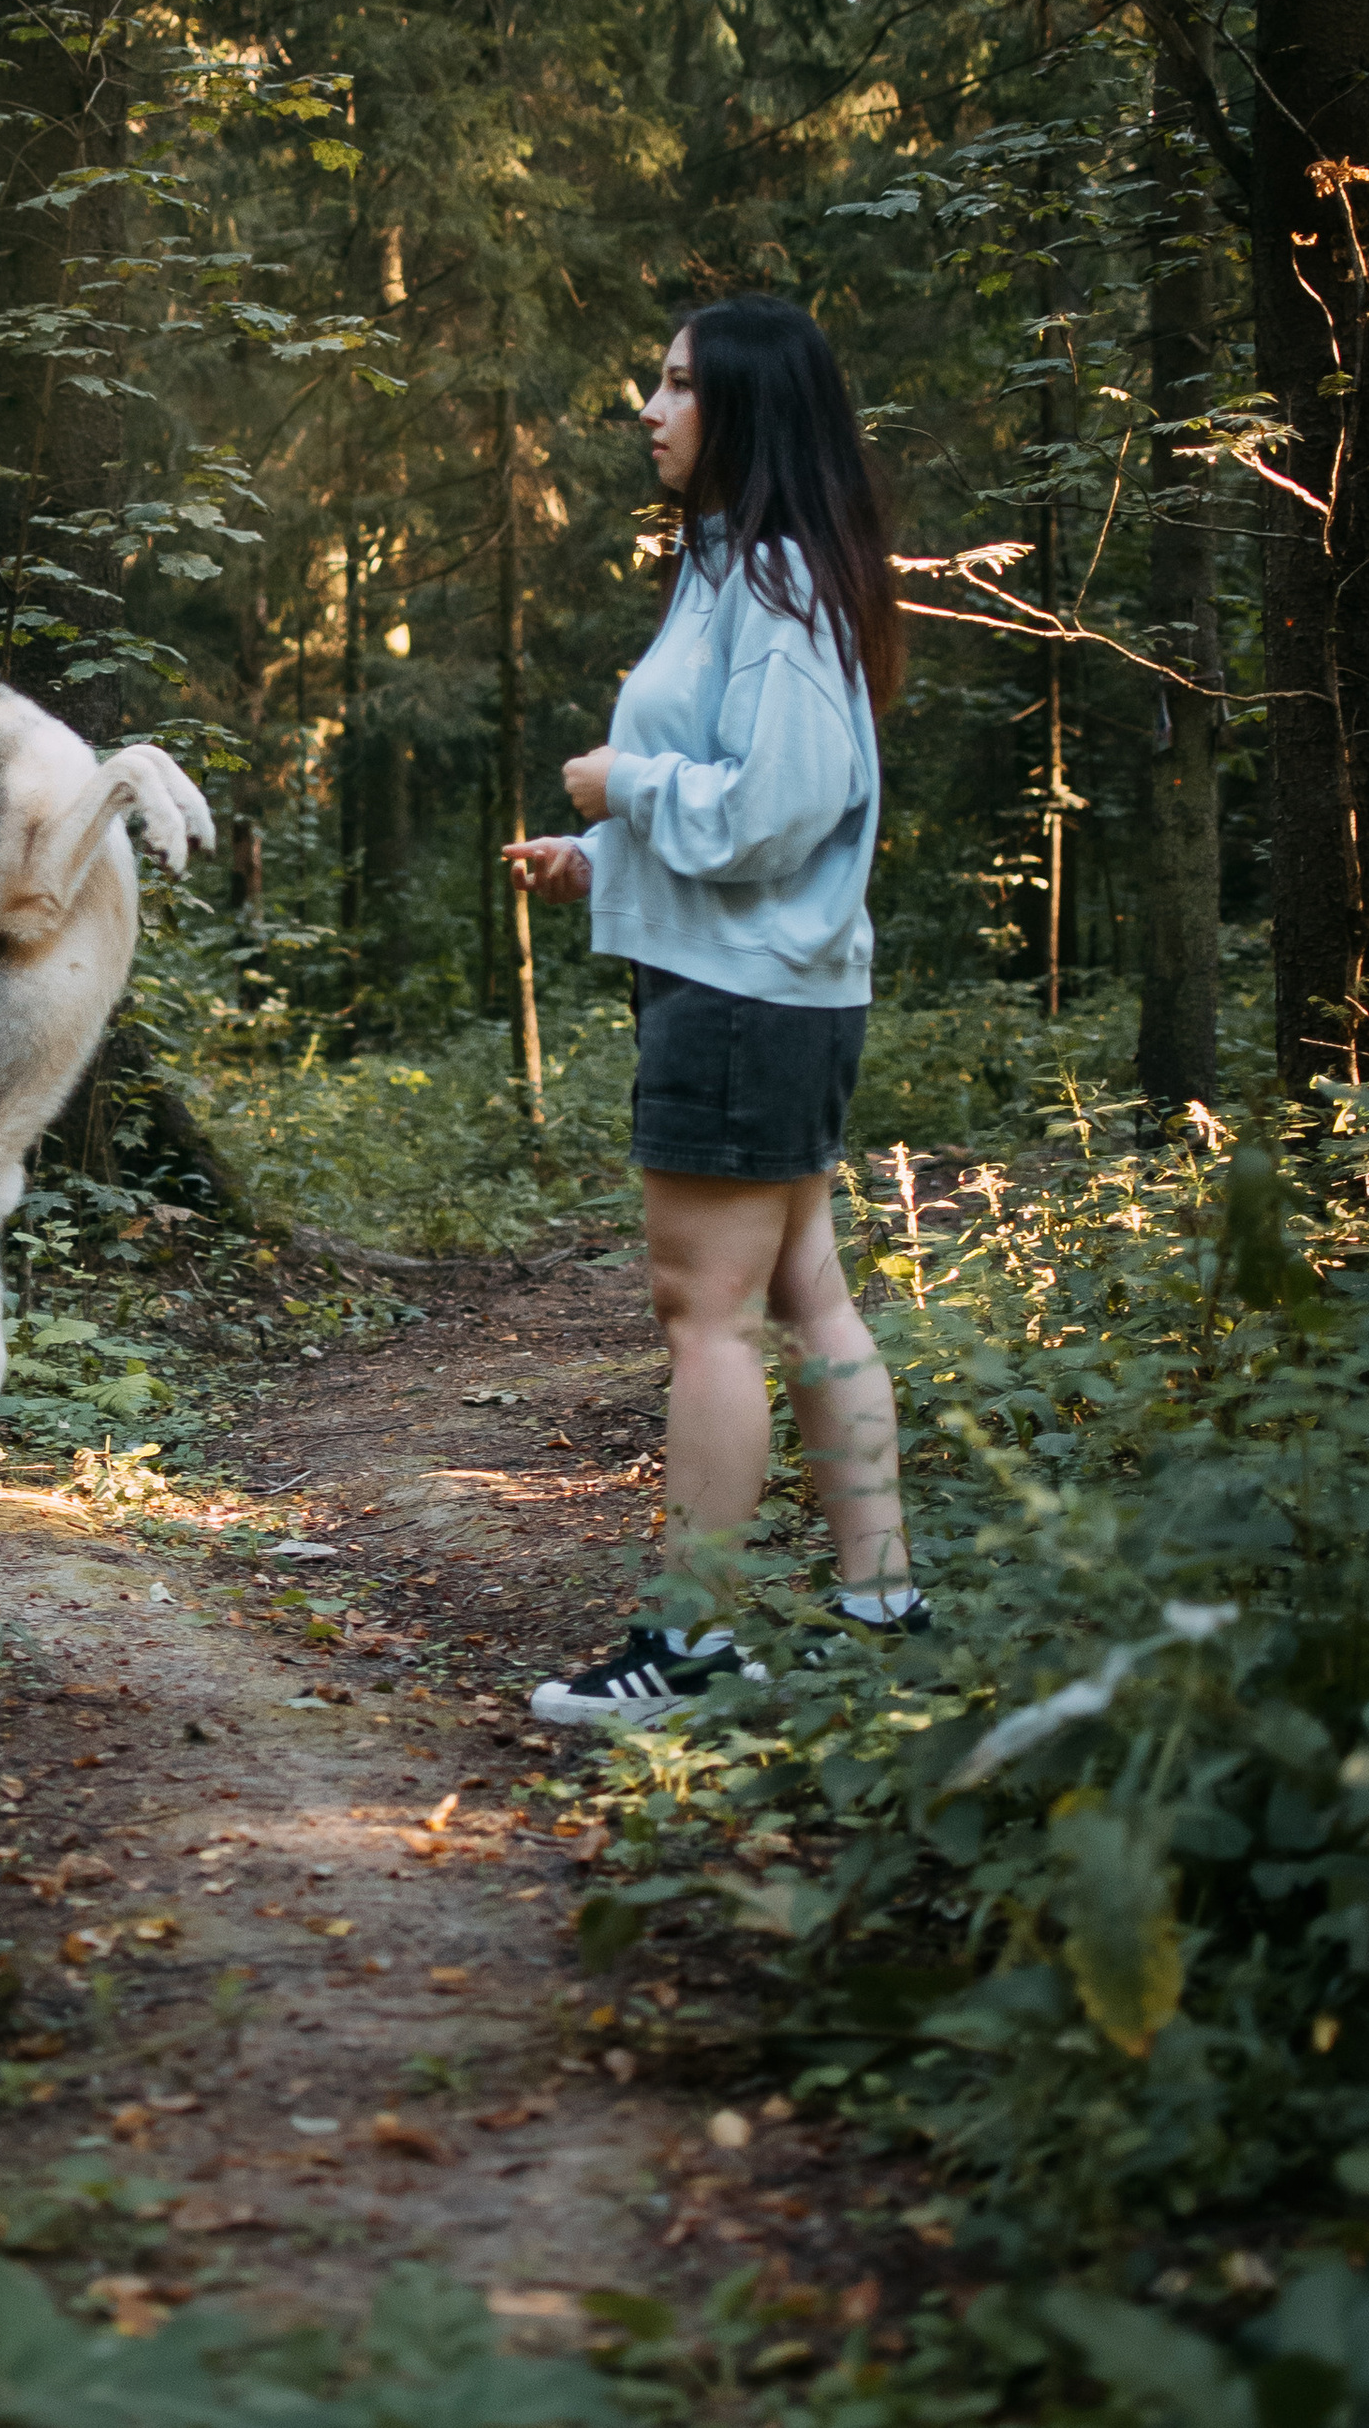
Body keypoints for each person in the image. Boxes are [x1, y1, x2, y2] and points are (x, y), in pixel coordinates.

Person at [501, 294, 928, 1725]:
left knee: (708, 1317)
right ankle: (882, 1600)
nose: (651, 408)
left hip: (746, 1000)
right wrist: (601, 854)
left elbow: (781, 808)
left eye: (679, 385)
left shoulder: (776, 583)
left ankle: (691, 1645)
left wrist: (623, 787)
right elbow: (740, 803)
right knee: (805, 1293)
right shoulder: (736, 568)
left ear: (744, 408)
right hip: (757, 982)